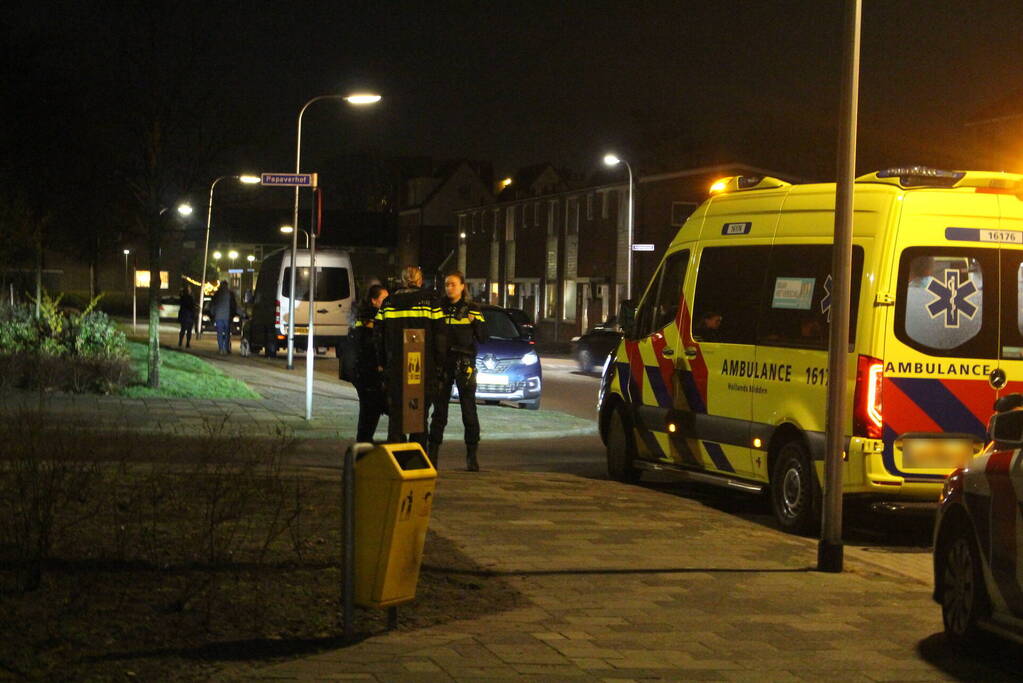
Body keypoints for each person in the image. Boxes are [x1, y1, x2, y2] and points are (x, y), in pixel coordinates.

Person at [374, 266, 443, 453]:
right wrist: (439, 366)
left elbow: (378, 335)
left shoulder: (388, 303)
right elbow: (440, 336)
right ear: (420, 281)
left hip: (396, 368)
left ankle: (396, 458)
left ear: (402, 281)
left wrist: (382, 363)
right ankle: (416, 459)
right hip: (423, 369)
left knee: (396, 417)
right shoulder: (431, 302)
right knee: (419, 417)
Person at [429, 271, 487, 471]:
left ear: (463, 286)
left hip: (464, 363)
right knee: (439, 412)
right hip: (443, 363)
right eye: (447, 284)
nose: (449, 288)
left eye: (453, 284)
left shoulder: (472, 309)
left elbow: (484, 338)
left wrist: (475, 322)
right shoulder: (438, 307)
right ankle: (432, 456)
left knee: (468, 410)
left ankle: (472, 456)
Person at [352, 283, 389, 442]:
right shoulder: (371, 319)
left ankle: (364, 442)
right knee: (370, 411)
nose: (387, 302)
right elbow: (370, 344)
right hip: (369, 372)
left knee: (369, 410)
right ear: (374, 301)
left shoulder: (365, 316)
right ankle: (363, 443)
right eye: (384, 299)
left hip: (366, 372)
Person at [210, 279, 237, 355]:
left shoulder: (217, 293)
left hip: (218, 316)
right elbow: (234, 305)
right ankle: (225, 348)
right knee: (227, 333)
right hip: (227, 316)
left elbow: (213, 304)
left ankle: (221, 348)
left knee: (219, 333)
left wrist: (213, 313)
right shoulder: (230, 294)